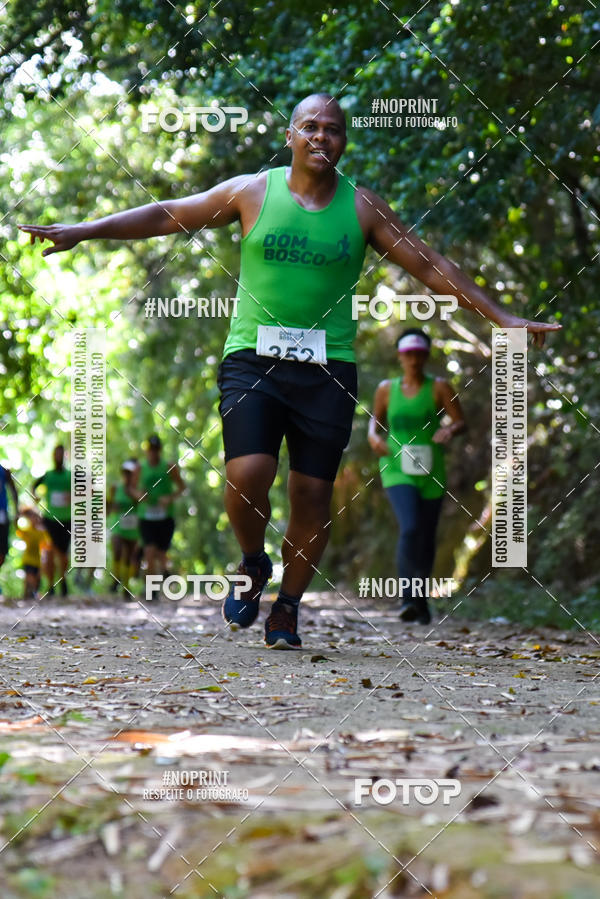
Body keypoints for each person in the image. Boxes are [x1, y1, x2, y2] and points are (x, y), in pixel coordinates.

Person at [18, 93, 560, 647]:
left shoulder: (362, 208)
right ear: (291, 137)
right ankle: (253, 561)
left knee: (310, 496)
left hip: (327, 369)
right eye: (310, 127)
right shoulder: (253, 191)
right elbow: (169, 213)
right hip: (253, 358)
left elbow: (429, 265)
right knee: (247, 475)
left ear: (344, 141)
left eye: (333, 129)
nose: (321, 136)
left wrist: (502, 317)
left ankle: (288, 608)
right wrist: (87, 229)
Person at [368, 328, 466, 624]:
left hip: (430, 468)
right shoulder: (387, 389)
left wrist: (449, 429)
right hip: (396, 467)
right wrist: (373, 436)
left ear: (426, 356)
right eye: (408, 354)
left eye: (419, 354)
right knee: (410, 527)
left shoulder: (439, 387)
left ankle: (421, 602)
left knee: (426, 535)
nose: (414, 359)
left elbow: (460, 420)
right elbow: (375, 422)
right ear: (400, 356)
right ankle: (407, 598)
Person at [126, 436, 184, 595]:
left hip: (165, 517)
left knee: (160, 554)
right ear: (147, 451)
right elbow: (131, 488)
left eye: (156, 449)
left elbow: (181, 487)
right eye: (150, 449)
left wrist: (169, 498)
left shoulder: (169, 467)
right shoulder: (140, 468)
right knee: (149, 552)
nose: (153, 452)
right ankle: (150, 590)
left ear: (160, 450)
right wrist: (139, 495)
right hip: (146, 517)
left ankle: (165, 573)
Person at [32, 445, 71, 596]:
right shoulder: (48, 475)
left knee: (63, 554)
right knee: (50, 552)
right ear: (53, 456)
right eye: (56, 454)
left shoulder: (70, 476)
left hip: (67, 520)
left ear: (65, 456)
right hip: (50, 519)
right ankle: (50, 584)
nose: (59, 456)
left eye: (61, 454)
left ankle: (62, 579)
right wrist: (35, 497)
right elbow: (34, 486)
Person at [107, 459, 140, 598]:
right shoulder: (115, 488)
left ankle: (126, 586)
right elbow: (108, 506)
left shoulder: (138, 490)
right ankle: (116, 578)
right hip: (118, 525)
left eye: (130, 473)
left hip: (132, 527)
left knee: (129, 557)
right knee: (117, 550)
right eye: (125, 473)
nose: (127, 476)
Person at [16, 508, 48, 599]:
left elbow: (45, 545)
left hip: (37, 560)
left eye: (35, 517)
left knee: (37, 579)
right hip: (28, 559)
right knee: (29, 577)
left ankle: (31, 594)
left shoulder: (42, 533)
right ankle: (29, 594)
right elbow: (18, 530)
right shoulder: (27, 531)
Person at [0, 463, 19, 597]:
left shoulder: (4, 472)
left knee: (2, 552)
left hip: (2, 516)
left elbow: (13, 491)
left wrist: (17, 511)